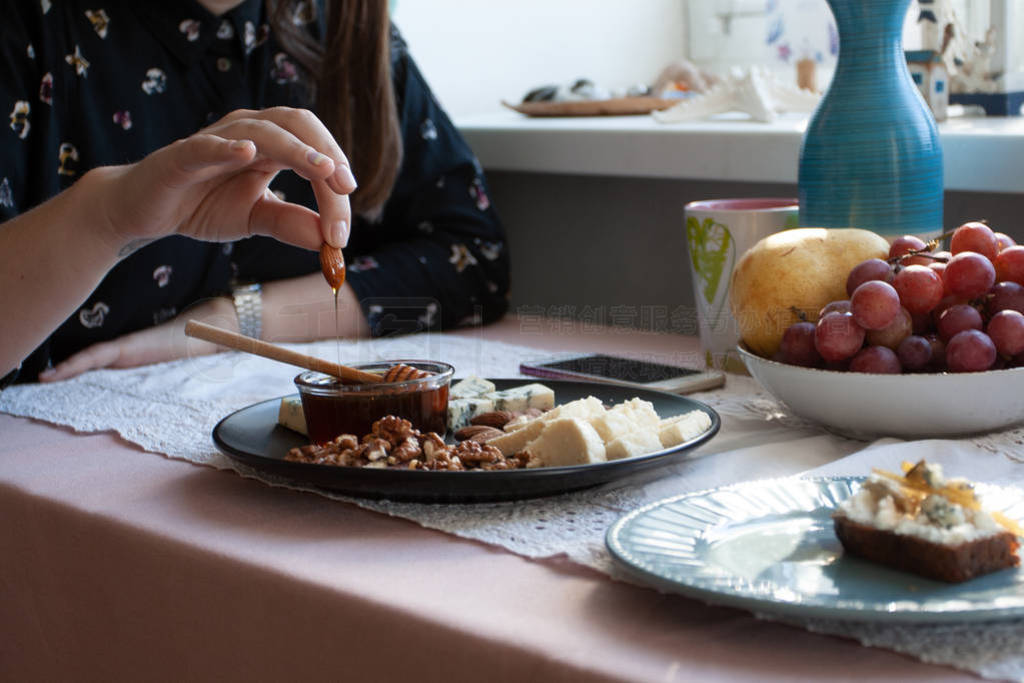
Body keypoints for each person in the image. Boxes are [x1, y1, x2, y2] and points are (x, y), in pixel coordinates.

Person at [0, 0, 509, 386]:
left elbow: (471, 263)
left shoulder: (336, 30)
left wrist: (234, 321)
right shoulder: (31, 24)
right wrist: (105, 218)